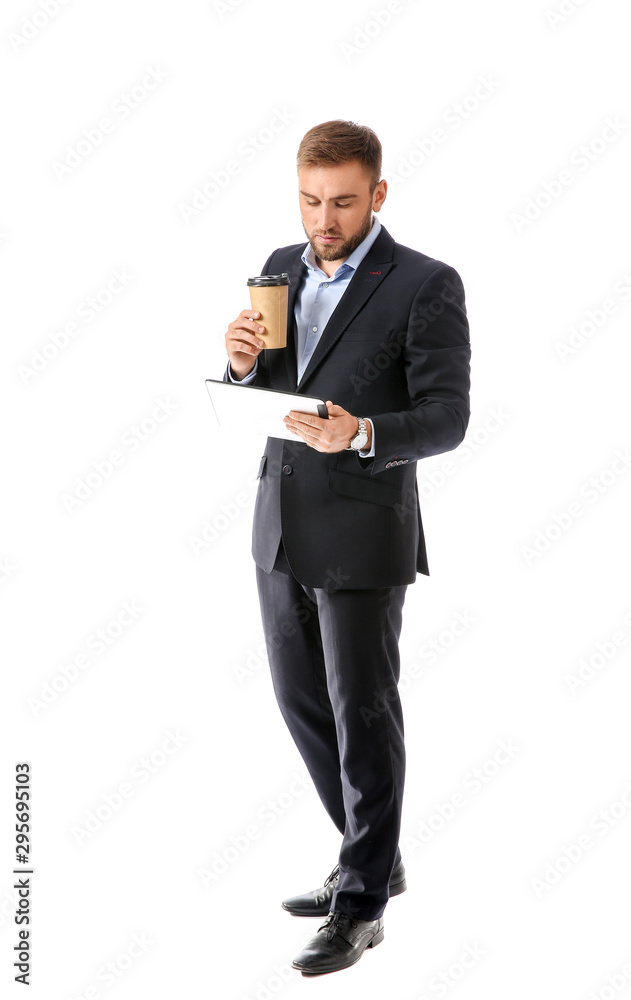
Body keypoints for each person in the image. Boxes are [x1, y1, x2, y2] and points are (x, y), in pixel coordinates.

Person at [223, 119, 471, 976]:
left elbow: (447, 420)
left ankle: (361, 899)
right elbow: (275, 388)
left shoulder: (426, 284)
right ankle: (375, 851)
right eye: (307, 200)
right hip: (279, 522)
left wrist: (362, 430)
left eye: (340, 202)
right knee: (302, 706)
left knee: (362, 715)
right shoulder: (281, 266)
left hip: (362, 528)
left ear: (377, 195)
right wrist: (244, 367)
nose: (321, 220)